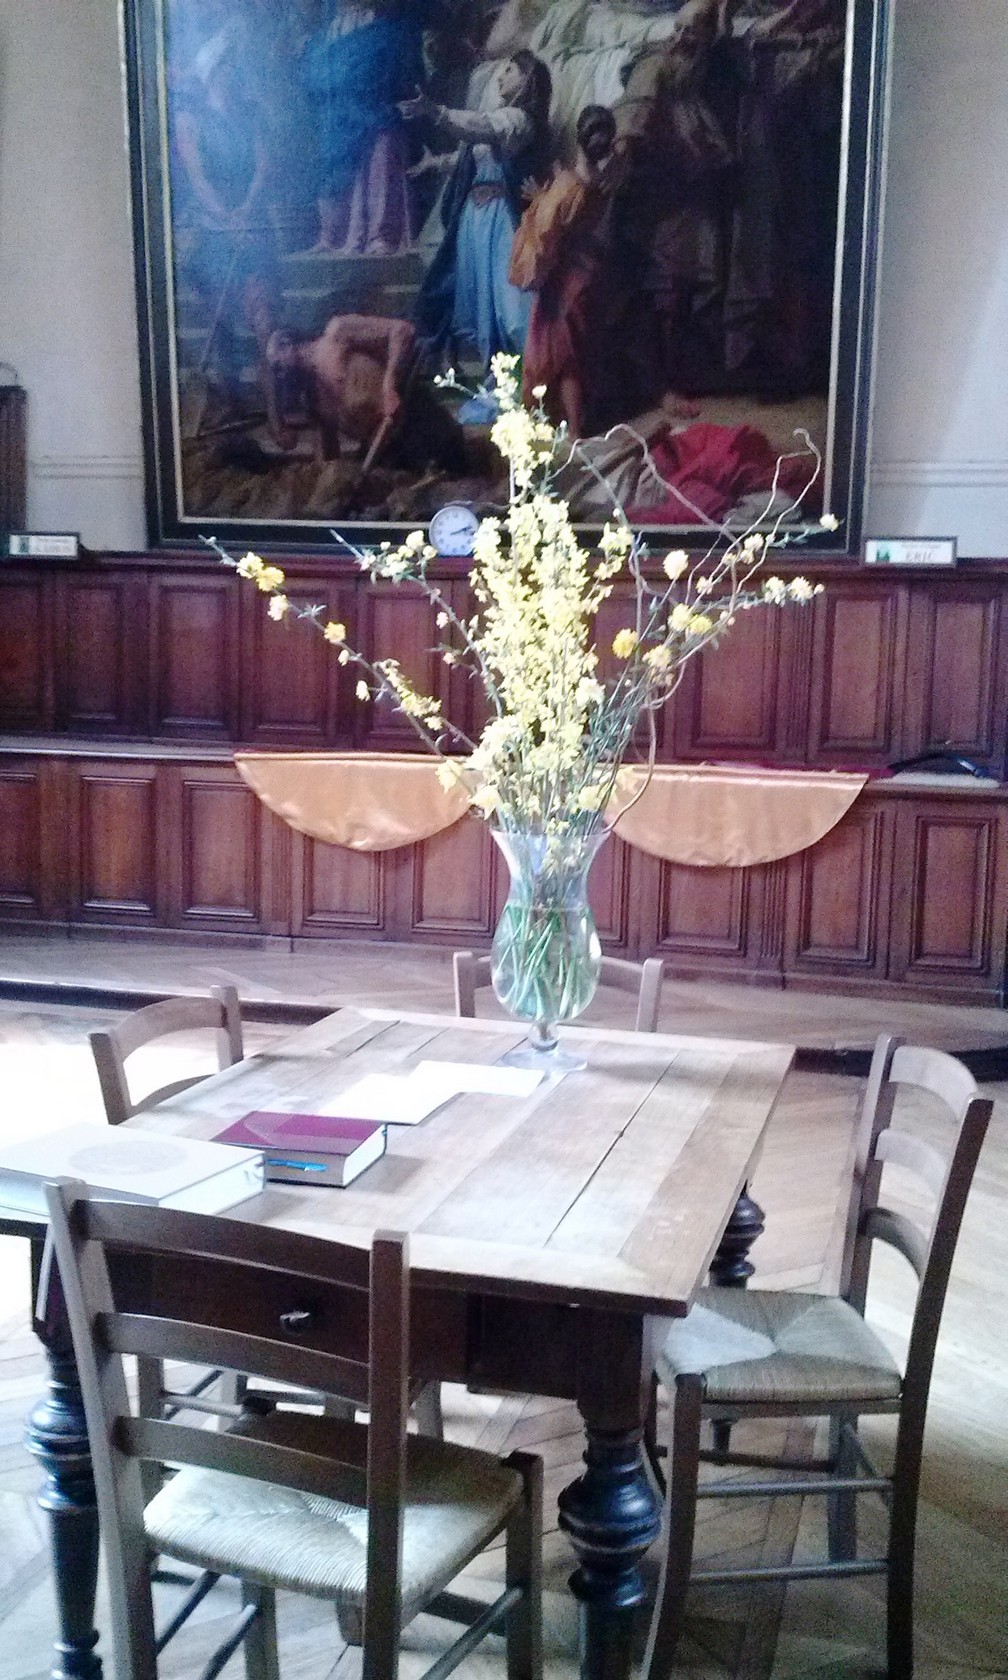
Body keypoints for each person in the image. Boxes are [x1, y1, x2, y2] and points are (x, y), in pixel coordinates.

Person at [402, 49, 553, 370]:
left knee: (509, 304)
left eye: (510, 71)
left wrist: (436, 112)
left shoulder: (518, 120)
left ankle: (526, 374)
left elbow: (482, 128)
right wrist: (437, 163)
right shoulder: (500, 119)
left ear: (528, 80)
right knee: (482, 302)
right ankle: (494, 374)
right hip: (475, 218)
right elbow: (471, 157)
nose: (501, 76)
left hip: (501, 218)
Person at [509, 103, 623, 436]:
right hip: (586, 272)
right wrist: (543, 197)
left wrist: (541, 205)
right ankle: (570, 423)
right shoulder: (598, 181)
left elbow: (552, 229)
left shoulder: (572, 184)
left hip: (565, 276)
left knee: (562, 355)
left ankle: (573, 429)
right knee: (572, 352)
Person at [265, 314, 470, 473]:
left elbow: (401, 330)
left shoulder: (337, 333)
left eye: (277, 365)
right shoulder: (313, 399)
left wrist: (389, 385)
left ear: (286, 344)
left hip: (418, 422)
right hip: (385, 453)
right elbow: (327, 452)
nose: (279, 375)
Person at [300, 1, 424, 255]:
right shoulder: (328, 32)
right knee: (335, 168)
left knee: (380, 162)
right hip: (339, 115)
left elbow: (403, 70)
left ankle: (381, 234)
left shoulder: (389, 28)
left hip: (377, 110)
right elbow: (316, 75)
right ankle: (334, 234)